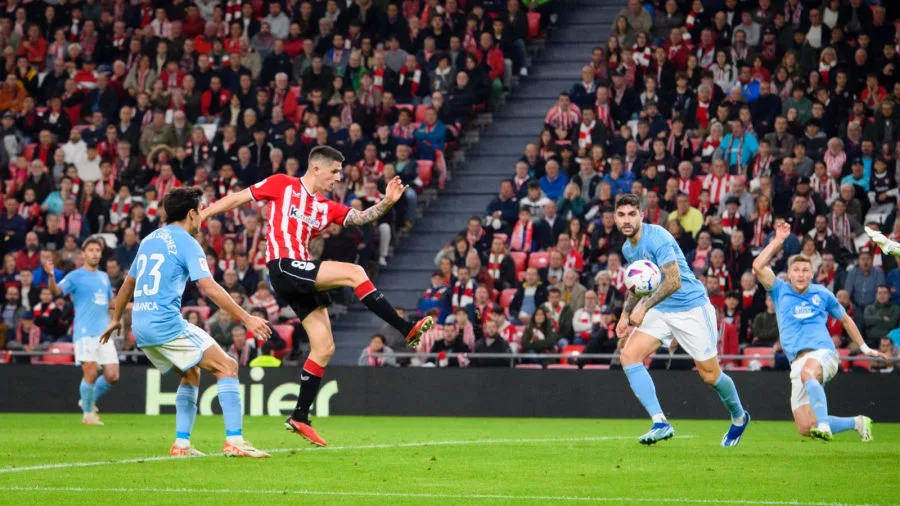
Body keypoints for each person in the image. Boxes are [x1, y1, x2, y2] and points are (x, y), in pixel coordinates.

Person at [200, 145, 433, 447]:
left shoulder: (325, 207)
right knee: (355, 273)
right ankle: (406, 329)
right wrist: (205, 213)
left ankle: (299, 416)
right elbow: (237, 198)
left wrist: (387, 202)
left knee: (324, 347)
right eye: (334, 171)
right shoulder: (282, 184)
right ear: (316, 168)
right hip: (283, 266)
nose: (338, 178)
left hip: (300, 275)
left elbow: (361, 217)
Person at [99, 187, 271, 458]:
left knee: (191, 373)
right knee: (227, 366)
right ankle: (235, 440)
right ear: (191, 213)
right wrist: (247, 317)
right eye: (200, 211)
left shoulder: (149, 239)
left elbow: (128, 284)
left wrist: (115, 318)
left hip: (141, 327)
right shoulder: (188, 243)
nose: (202, 216)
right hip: (165, 324)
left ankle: (181, 444)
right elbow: (209, 287)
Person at [614, 193, 750, 447]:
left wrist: (644, 308)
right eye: (621, 215)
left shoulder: (658, 237)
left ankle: (739, 417)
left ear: (641, 215)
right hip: (660, 309)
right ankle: (660, 423)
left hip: (691, 308)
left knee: (710, 375)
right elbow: (639, 285)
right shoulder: (628, 248)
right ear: (615, 218)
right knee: (629, 356)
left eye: (632, 214)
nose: (627, 220)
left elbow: (674, 281)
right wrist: (625, 315)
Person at [753, 221, 885, 441]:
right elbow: (758, 265)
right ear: (789, 273)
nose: (801, 274)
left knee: (809, 374)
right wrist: (778, 240)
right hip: (796, 362)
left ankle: (824, 424)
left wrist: (864, 348)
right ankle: (857, 422)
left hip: (823, 353)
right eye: (796, 270)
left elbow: (846, 320)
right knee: (806, 427)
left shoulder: (822, 293)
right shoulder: (779, 290)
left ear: (812, 273)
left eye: (805, 270)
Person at [45, 237, 117, 425]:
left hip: (104, 333)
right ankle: (88, 414)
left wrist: (133, 305)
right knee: (91, 372)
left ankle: (87, 399)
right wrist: (51, 276)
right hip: (85, 332)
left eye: (98, 250)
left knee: (112, 375)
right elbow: (56, 292)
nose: (95, 253)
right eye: (91, 250)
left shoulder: (103, 277)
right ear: (83, 254)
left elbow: (111, 302)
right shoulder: (75, 276)